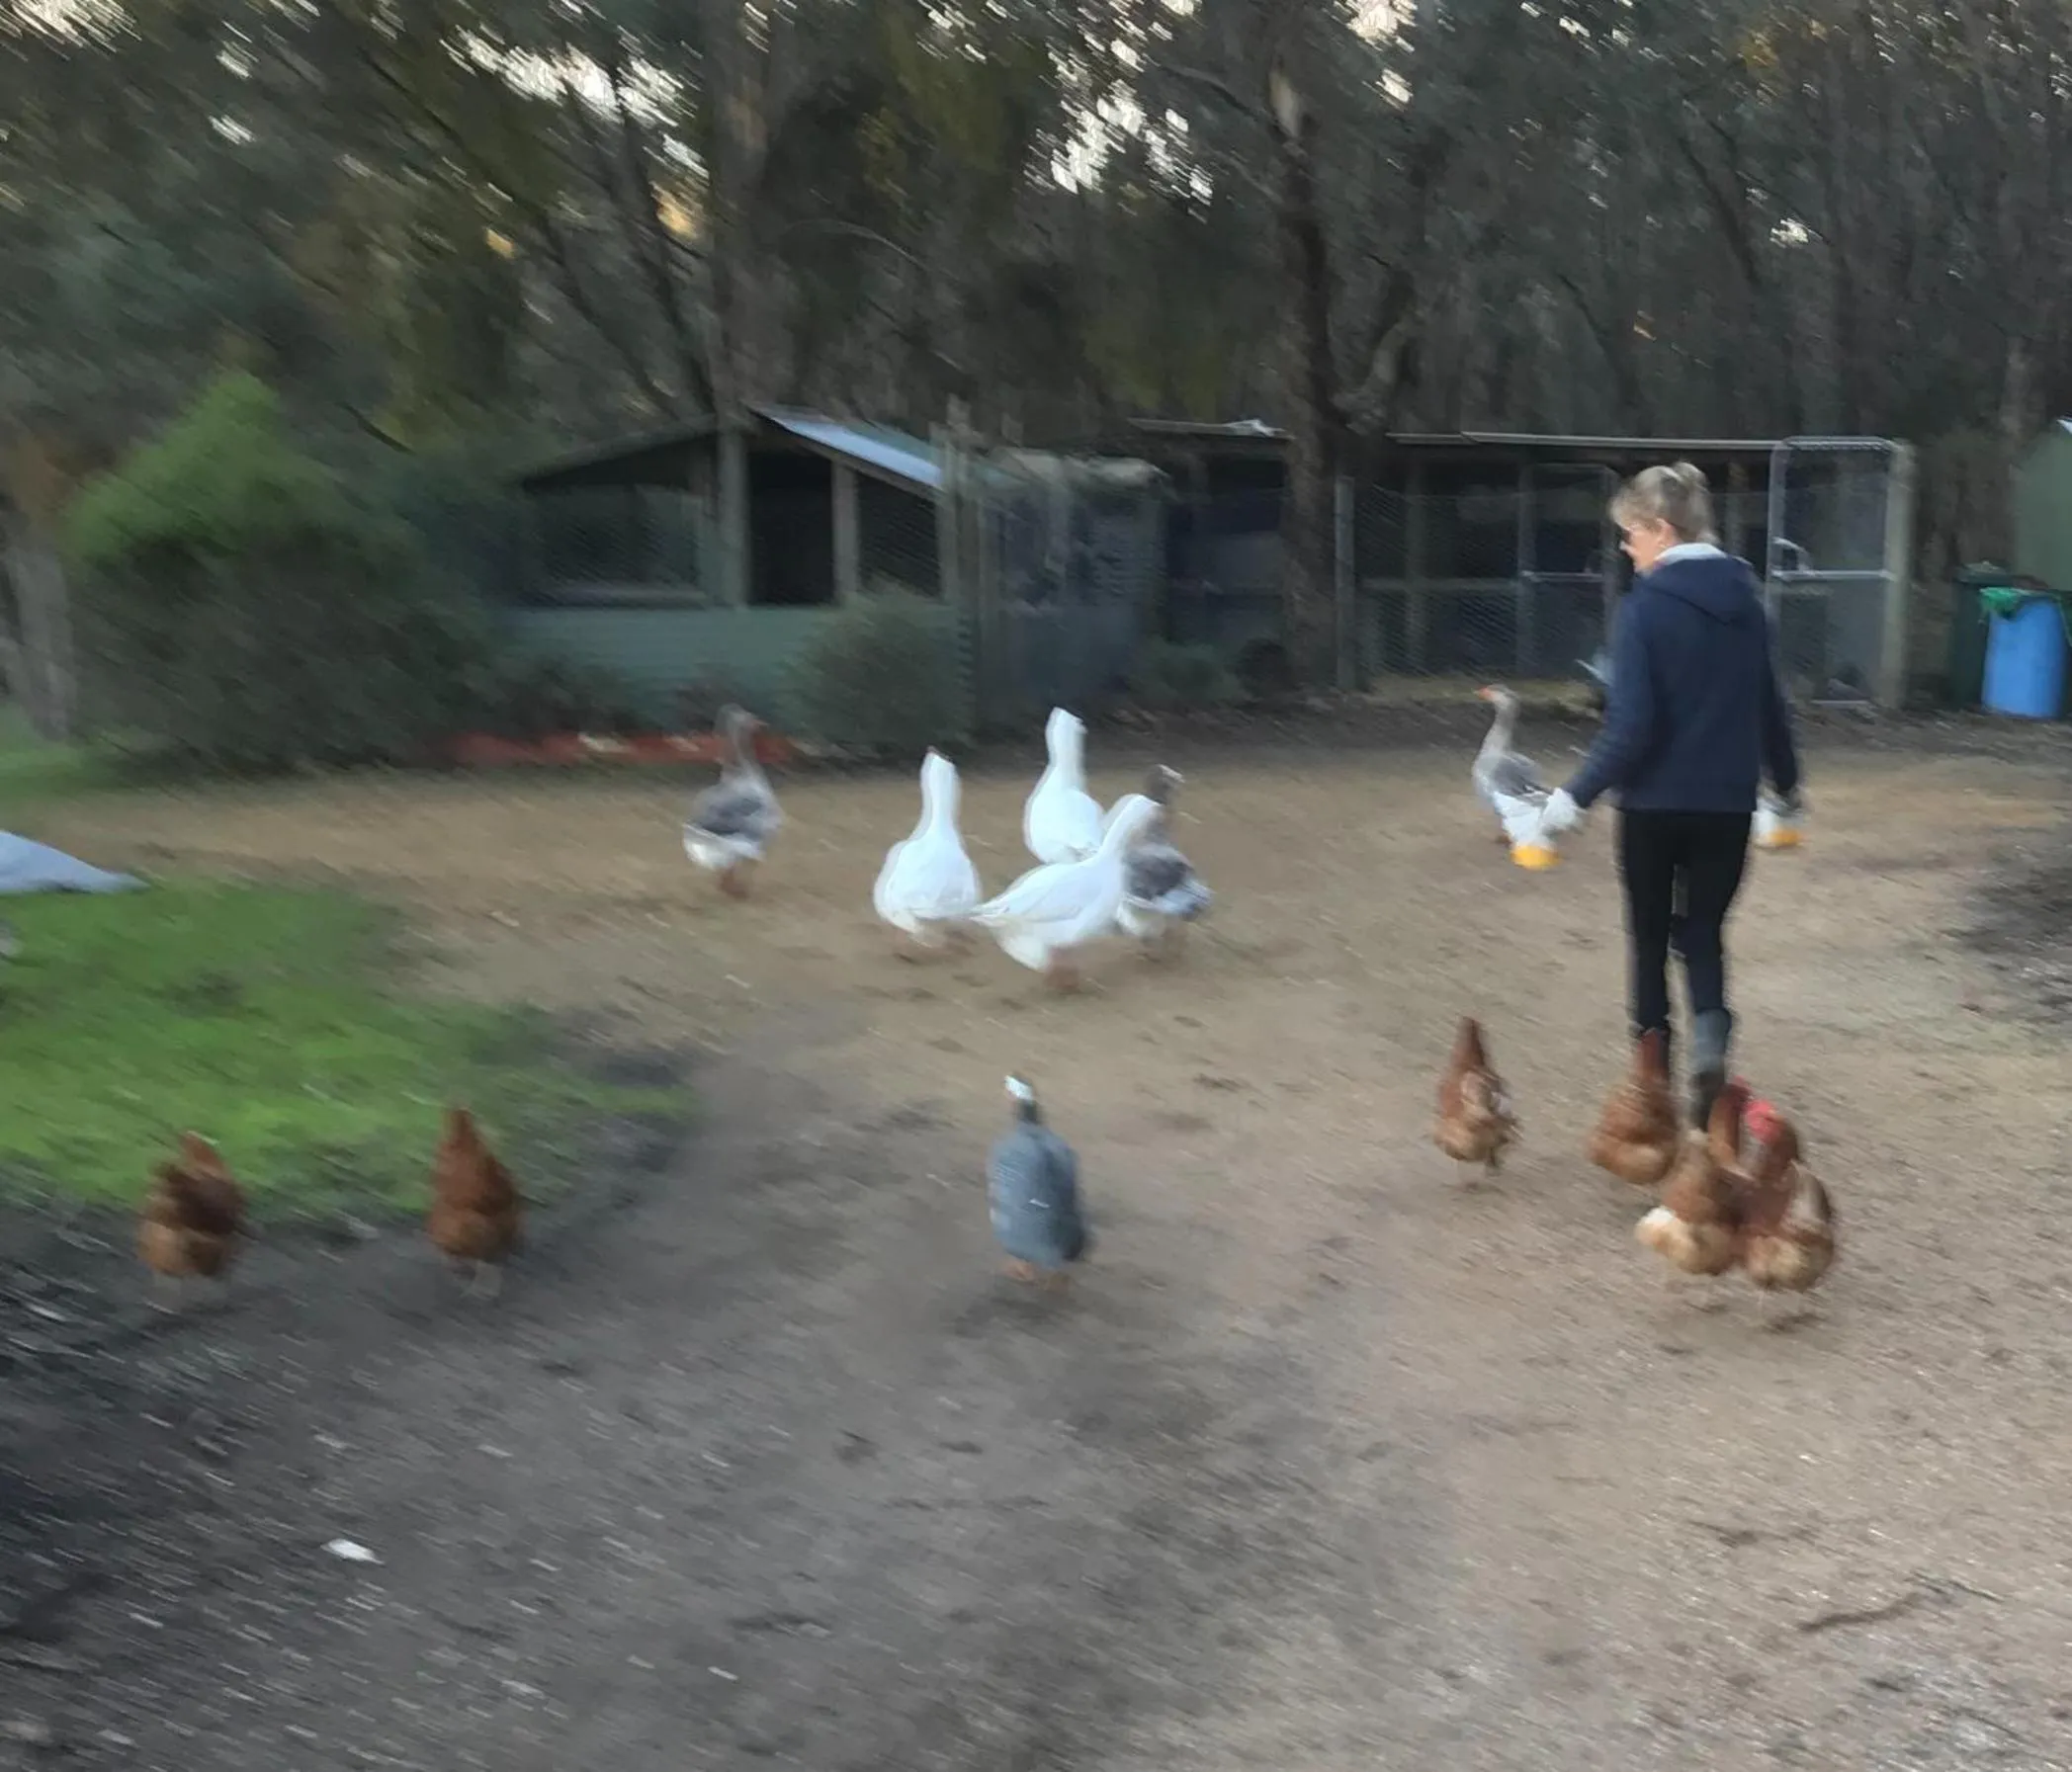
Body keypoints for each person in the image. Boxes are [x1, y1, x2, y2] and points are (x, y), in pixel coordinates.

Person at [1531, 462, 1801, 1125]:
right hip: (1729, 804)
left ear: (1660, 528)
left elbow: (1633, 727)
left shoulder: (1643, 610)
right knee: (1703, 931)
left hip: (1654, 805)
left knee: (1649, 939)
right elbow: (1770, 704)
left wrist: (1572, 797)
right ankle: (1711, 1032)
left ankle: (1652, 1085)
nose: (1626, 548)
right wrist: (1787, 785)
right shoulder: (1749, 600)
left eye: (1630, 534)